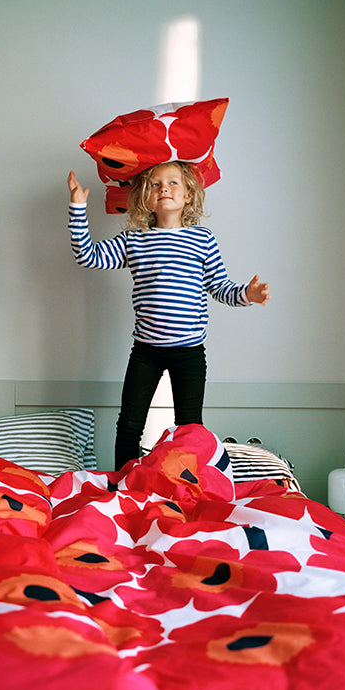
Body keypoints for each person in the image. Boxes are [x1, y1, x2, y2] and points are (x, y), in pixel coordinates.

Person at [67, 161, 270, 470]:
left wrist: (248, 294)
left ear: (189, 194)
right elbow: (88, 255)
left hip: (189, 352)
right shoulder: (134, 240)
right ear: (145, 197)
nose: (164, 188)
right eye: (156, 184)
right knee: (130, 423)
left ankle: (189, 482)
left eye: (173, 183)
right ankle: (124, 487)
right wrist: (78, 207)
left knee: (190, 427)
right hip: (146, 351)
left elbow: (220, 287)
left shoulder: (203, 239)